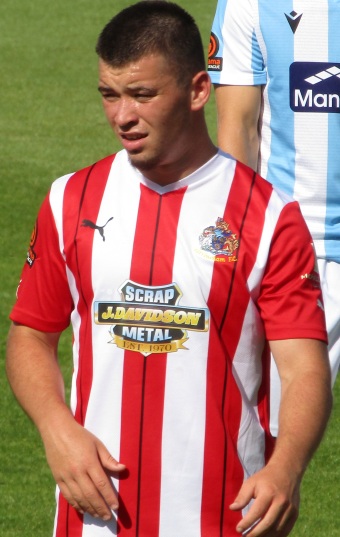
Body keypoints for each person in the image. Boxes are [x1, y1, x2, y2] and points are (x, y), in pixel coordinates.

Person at [6, 2, 332, 536]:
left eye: (142, 95)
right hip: (93, 518)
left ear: (199, 90)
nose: (122, 116)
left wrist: (287, 466)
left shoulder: (270, 216)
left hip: (224, 514)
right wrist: (54, 427)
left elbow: (303, 369)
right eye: (109, 95)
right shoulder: (70, 200)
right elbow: (29, 336)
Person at [208, 0, 340, 436]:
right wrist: (240, 251)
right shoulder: (251, 3)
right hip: (302, 253)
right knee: (268, 439)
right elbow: (238, 130)